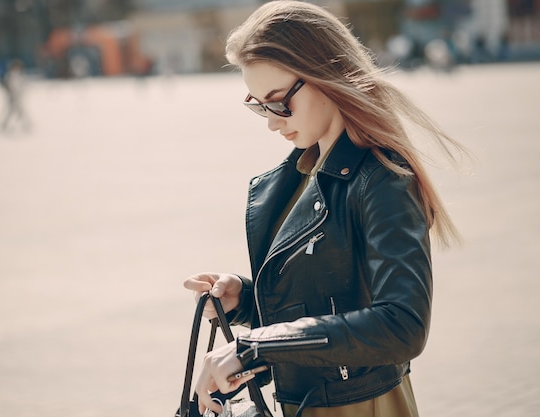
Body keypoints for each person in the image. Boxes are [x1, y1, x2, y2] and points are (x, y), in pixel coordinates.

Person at [182, 2, 467, 417]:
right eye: (259, 105)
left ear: (324, 76)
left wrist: (254, 347)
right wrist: (243, 300)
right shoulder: (291, 177)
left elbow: (402, 324)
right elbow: (326, 305)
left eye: (279, 102)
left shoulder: (384, 179)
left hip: (364, 406)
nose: (272, 122)